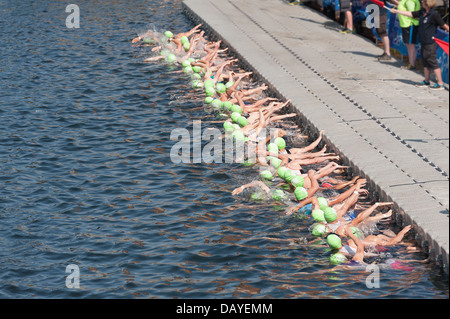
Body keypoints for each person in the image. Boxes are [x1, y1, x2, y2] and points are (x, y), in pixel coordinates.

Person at [390, 0, 450, 89]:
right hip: (423, 41)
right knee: (425, 62)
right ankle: (426, 81)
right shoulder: (422, 12)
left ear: (427, 4)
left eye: (422, 2)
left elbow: (445, 26)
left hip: (430, 42)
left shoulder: (434, 15)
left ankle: (440, 83)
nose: (421, 3)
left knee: (432, 62)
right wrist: (396, 11)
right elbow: (410, 14)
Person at [397, 0, 421, 70]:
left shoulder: (409, 1)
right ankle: (411, 63)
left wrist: (397, 11)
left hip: (410, 24)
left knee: (410, 45)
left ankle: (412, 64)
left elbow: (412, 14)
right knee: (409, 45)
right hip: (406, 24)